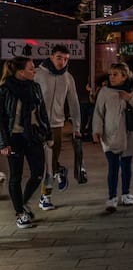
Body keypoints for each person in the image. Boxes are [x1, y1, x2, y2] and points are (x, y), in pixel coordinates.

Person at [0, 56, 52, 228]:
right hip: (14, 138)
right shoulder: (4, 90)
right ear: (20, 72)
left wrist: (48, 134)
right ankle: (20, 214)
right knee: (15, 177)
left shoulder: (35, 87)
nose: (34, 71)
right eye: (31, 68)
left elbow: (42, 112)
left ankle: (22, 202)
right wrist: (3, 143)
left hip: (33, 135)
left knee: (38, 172)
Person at [92, 62, 133, 212]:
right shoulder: (105, 91)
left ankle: (126, 193)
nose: (111, 77)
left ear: (124, 76)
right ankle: (111, 197)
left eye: (115, 74)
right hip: (110, 135)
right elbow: (98, 112)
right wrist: (96, 130)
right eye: (110, 74)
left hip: (129, 135)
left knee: (126, 166)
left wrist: (129, 98)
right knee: (112, 166)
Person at [35, 44, 81, 210]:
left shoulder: (68, 77)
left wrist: (77, 126)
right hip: (38, 124)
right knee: (42, 162)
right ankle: (59, 170)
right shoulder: (37, 74)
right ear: (51, 56)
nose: (62, 62)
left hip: (56, 125)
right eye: (59, 58)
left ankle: (45, 196)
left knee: (50, 160)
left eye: (66, 59)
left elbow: (74, 103)